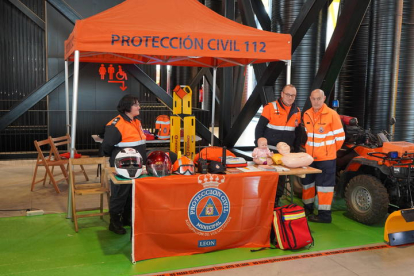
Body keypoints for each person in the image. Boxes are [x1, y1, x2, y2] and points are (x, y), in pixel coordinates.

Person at [102, 94, 147, 234]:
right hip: (122, 167)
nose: (139, 107)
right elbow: (106, 147)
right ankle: (114, 223)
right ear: (127, 107)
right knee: (120, 194)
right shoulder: (116, 124)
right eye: (136, 104)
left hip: (137, 165)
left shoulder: (136, 121)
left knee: (131, 194)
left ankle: (127, 219)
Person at [301, 89, 345, 223]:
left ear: (324, 98)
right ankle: (307, 210)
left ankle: (324, 216)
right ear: (310, 98)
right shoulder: (307, 114)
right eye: (314, 99)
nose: (316, 101)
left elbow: (340, 137)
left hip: (326, 159)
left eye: (319, 98)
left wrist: (329, 151)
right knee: (307, 184)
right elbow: (307, 136)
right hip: (309, 158)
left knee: (324, 187)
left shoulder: (332, 114)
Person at [255, 84, 301, 206]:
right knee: (266, 177)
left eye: (293, 95)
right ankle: (263, 201)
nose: (290, 97)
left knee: (281, 179)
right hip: (268, 152)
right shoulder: (270, 107)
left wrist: (295, 151)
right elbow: (259, 128)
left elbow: (297, 133)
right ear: (282, 94)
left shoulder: (297, 112)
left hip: (284, 154)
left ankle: (276, 201)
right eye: (288, 94)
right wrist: (259, 145)